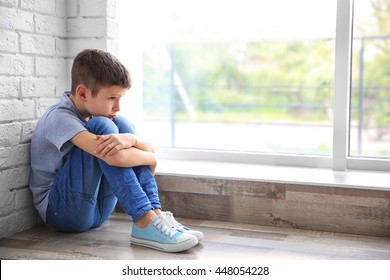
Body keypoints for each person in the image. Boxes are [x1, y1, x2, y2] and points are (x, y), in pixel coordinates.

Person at [29, 48, 203, 253]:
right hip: (62, 213)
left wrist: (131, 139)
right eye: (112, 98)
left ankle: (155, 216)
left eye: (120, 98)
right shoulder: (59, 118)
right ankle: (143, 220)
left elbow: (146, 148)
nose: (118, 105)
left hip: (98, 210)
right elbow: (118, 158)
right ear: (83, 93)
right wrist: (150, 158)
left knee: (121, 125)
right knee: (103, 127)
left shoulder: (96, 114)